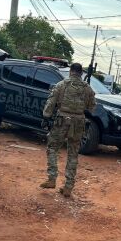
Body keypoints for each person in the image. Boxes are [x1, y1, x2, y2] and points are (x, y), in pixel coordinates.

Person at [39, 63, 96, 198]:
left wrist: (46, 117)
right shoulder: (87, 88)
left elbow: (51, 102)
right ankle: (68, 187)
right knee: (73, 153)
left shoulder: (61, 85)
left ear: (70, 71)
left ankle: (52, 178)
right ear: (81, 73)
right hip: (79, 122)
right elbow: (92, 107)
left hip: (62, 119)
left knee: (53, 148)